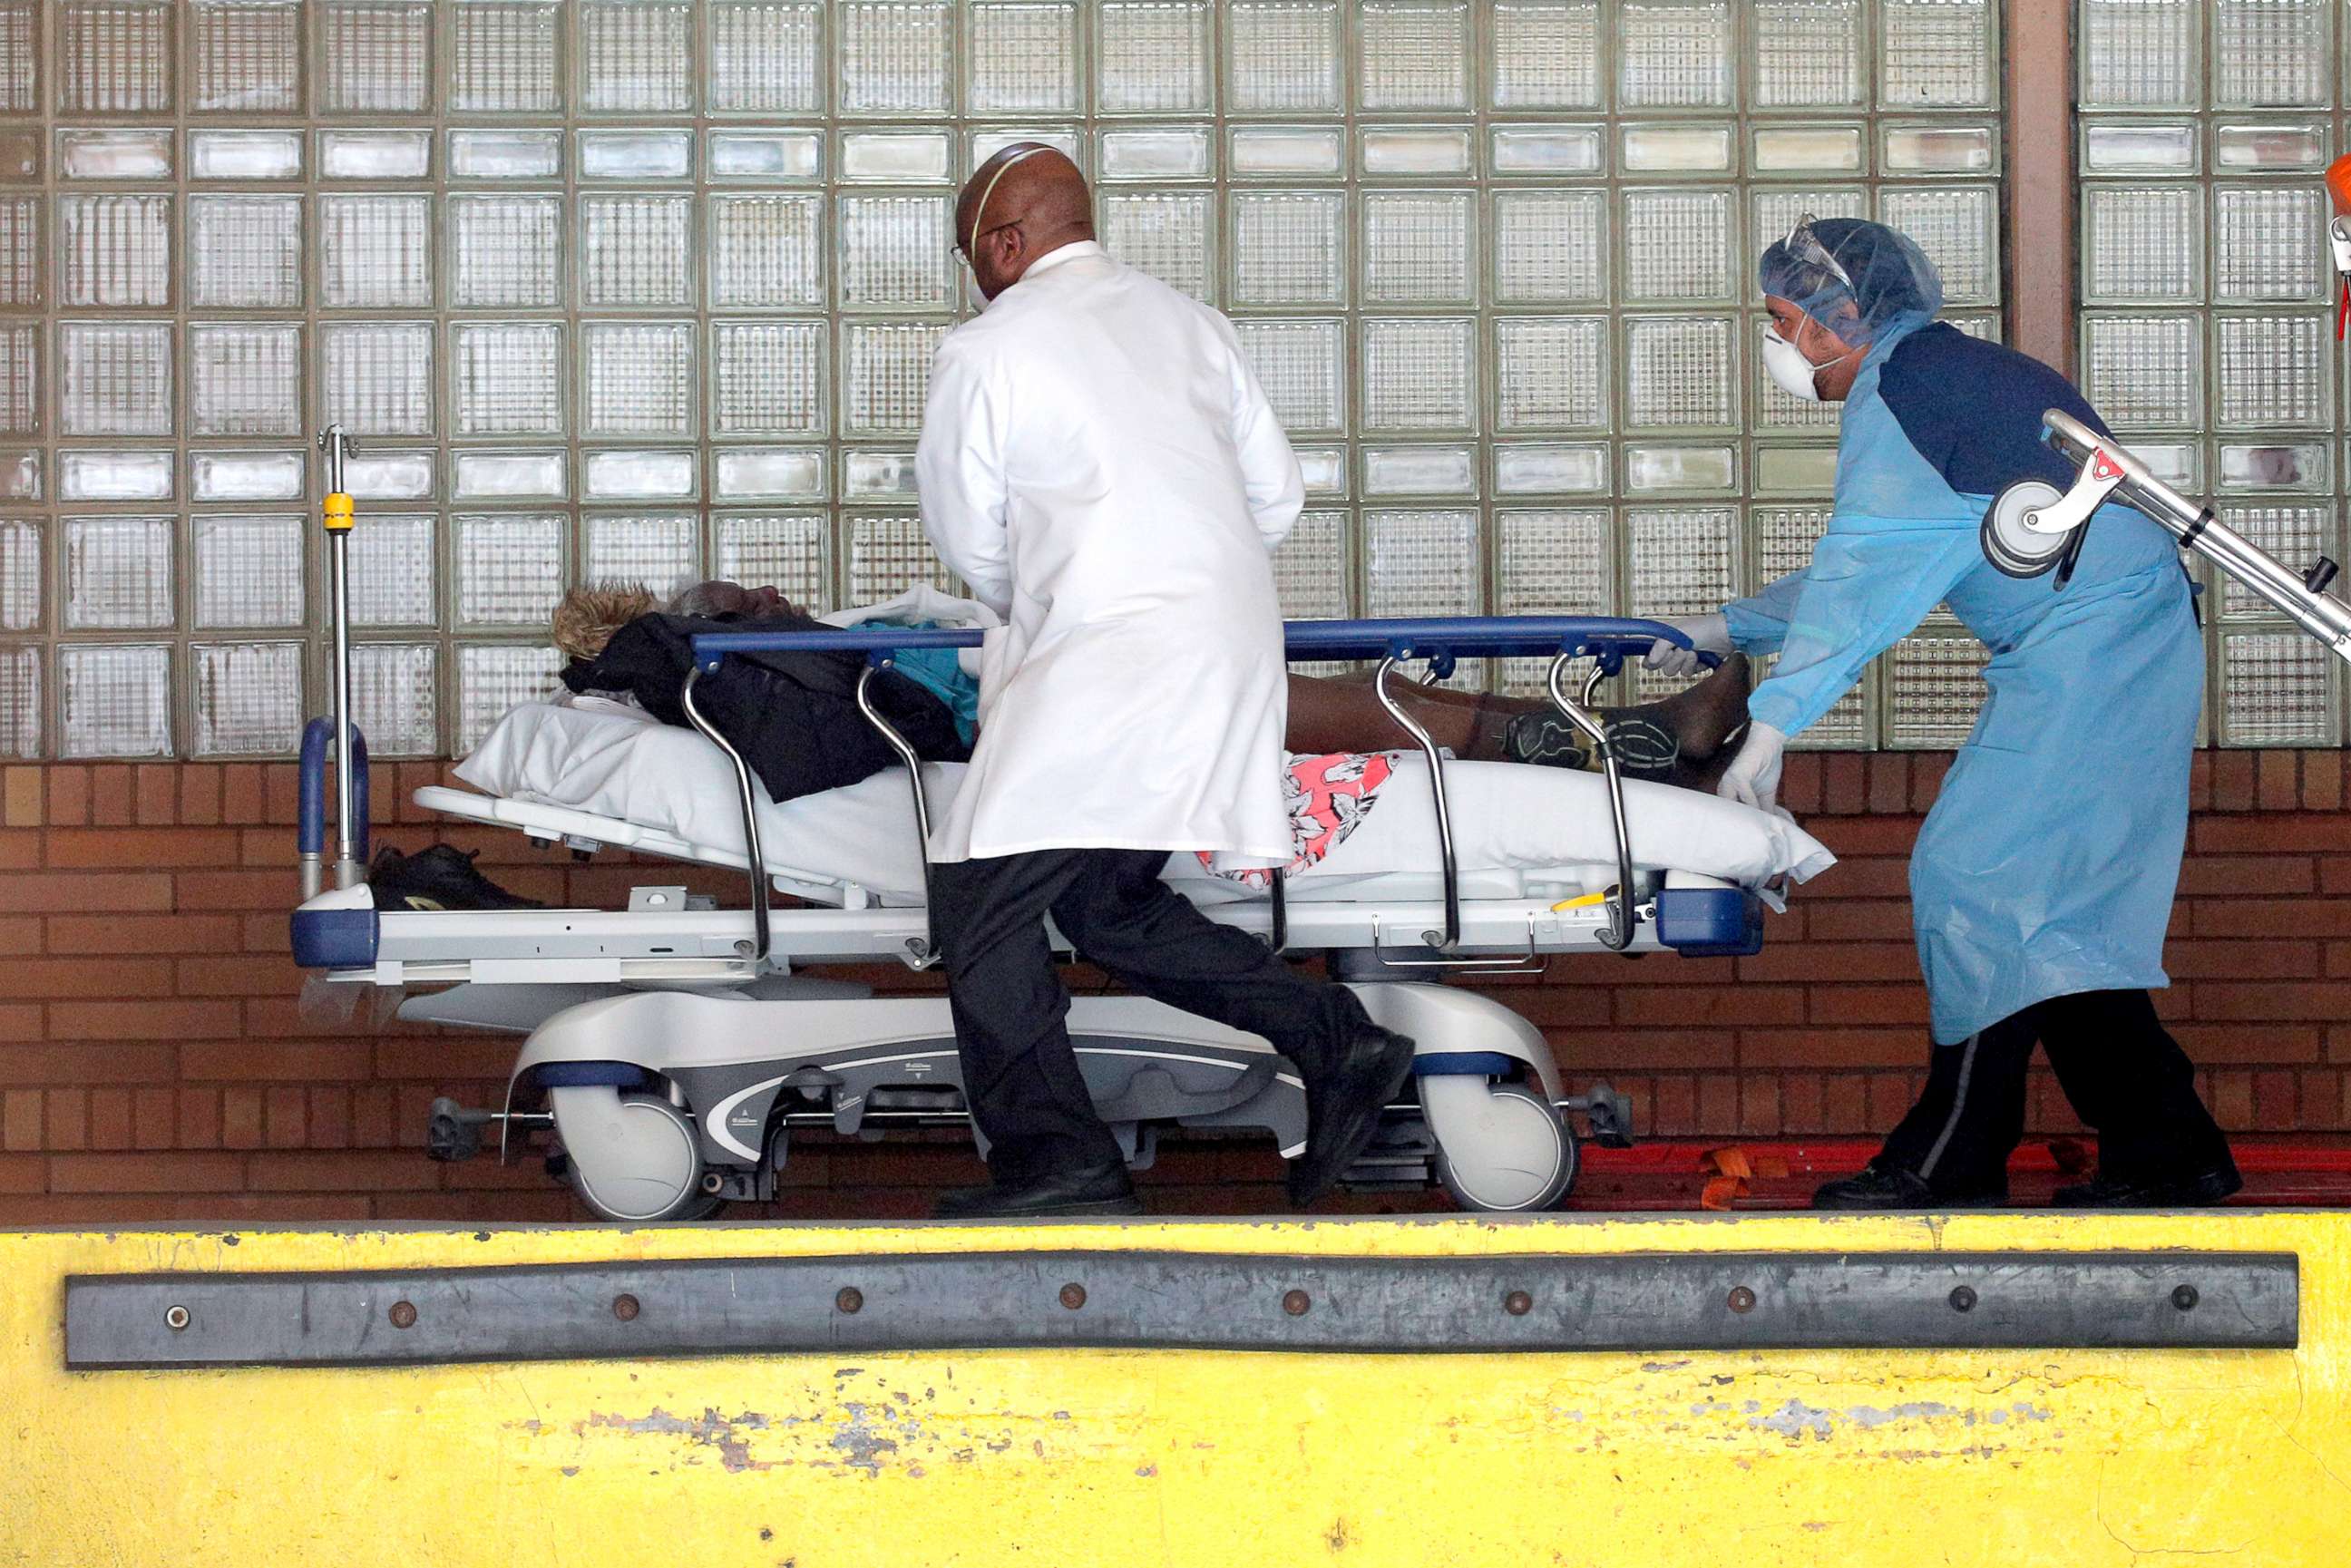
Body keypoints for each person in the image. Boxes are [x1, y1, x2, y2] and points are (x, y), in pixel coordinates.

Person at [1644, 216, 2239, 1211]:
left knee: (1975, 875)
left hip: (2094, 646)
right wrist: (1729, 626)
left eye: (1782, 321)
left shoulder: (1903, 393)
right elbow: (1902, 551)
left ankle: (1953, 1154)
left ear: (1843, 317)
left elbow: (1871, 567)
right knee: (2043, 903)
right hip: (2112, 639)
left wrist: (1778, 719)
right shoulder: (1946, 371)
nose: (1777, 345)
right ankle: (2169, 1145)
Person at [910, 143, 1420, 1220]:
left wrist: (1065, 593)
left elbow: (972, 541)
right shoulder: (1193, 322)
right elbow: (1276, 501)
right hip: (1230, 648)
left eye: (973, 253)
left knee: (981, 906)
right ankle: (1337, 1039)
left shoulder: (988, 348)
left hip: (1104, 651)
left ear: (1003, 243)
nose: (976, 274)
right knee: (1103, 900)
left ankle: (1059, 1163)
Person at [552, 578, 1757, 791]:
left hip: (1075, 678)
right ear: (715, 633)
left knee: (1329, 688)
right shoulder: (804, 673)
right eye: (741, 597)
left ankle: (1626, 739)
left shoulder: (836, 645)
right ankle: (1626, 746)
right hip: (1056, 715)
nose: (765, 589)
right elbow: (889, 736)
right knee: (1305, 702)